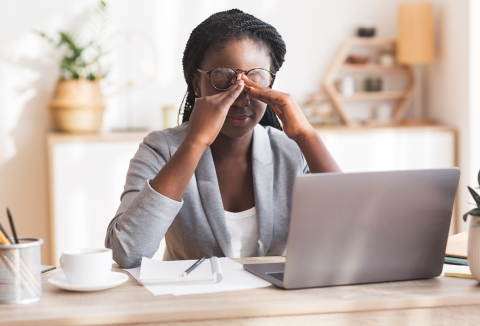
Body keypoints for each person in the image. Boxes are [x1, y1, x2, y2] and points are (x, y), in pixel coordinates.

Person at [105, 9, 341, 268]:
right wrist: (195, 142)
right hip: (189, 303)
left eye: (256, 79)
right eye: (223, 78)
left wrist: (307, 137)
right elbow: (126, 253)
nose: (241, 98)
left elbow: (350, 233)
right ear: (197, 83)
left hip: (273, 304)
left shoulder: (290, 151)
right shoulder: (161, 149)